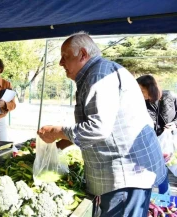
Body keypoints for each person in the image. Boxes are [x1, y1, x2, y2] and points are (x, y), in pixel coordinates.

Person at [37, 32, 167, 217]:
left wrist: (58, 131)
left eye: (65, 57)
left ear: (82, 54)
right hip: (128, 175)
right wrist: (62, 143)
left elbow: (98, 128)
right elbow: (105, 125)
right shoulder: (97, 72)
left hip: (125, 176)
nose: (60, 63)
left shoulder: (98, 74)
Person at [137, 74, 177, 194]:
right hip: (154, 141)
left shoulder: (169, 96)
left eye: (142, 90)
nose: (140, 93)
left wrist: (175, 123)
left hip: (172, 139)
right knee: (161, 171)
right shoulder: (141, 103)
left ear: (151, 88)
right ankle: (164, 198)